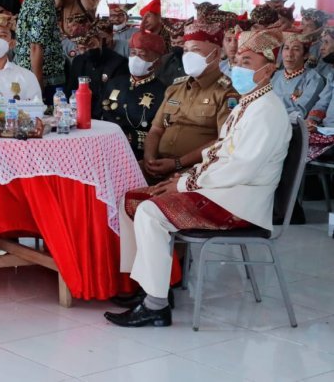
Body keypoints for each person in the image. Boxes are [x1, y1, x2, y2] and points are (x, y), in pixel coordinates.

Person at [105, 28, 290, 328]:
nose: (240, 67)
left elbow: (239, 168)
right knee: (134, 199)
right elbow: (219, 151)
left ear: (268, 70)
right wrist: (185, 175)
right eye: (239, 60)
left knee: (150, 212)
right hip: (221, 189)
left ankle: (156, 305)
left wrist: (183, 182)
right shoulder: (248, 103)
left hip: (239, 201)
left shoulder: (266, 111)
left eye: (248, 62)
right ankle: (144, 286)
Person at [142, 21, 239, 184]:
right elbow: (156, 129)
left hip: (194, 170)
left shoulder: (228, 93)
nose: (187, 56)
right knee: (114, 179)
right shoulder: (175, 89)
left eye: (195, 51)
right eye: (186, 51)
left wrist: (177, 163)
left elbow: (222, 141)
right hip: (157, 164)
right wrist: (149, 159)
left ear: (215, 55)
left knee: (154, 201)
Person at [100, 30, 166, 159]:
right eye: (133, 53)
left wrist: (132, 138)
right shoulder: (115, 83)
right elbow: (104, 111)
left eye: (142, 55)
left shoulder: (162, 91)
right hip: (107, 144)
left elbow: (157, 131)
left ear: (156, 63)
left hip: (136, 151)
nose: (135, 58)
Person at [16, 0, 71, 103]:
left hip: (28, 72)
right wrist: (37, 84)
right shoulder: (44, 6)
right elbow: (35, 46)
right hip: (45, 79)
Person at [67, 19, 128, 118]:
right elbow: (71, 92)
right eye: (83, 48)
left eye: (91, 45)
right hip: (80, 116)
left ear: (100, 41)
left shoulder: (118, 63)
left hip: (107, 117)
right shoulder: (78, 62)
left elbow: (117, 98)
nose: (88, 50)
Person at [271, 32, 325, 120]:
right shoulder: (276, 75)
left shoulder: (314, 79)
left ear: (305, 55)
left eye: (296, 49)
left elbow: (301, 111)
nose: (289, 54)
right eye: (286, 48)